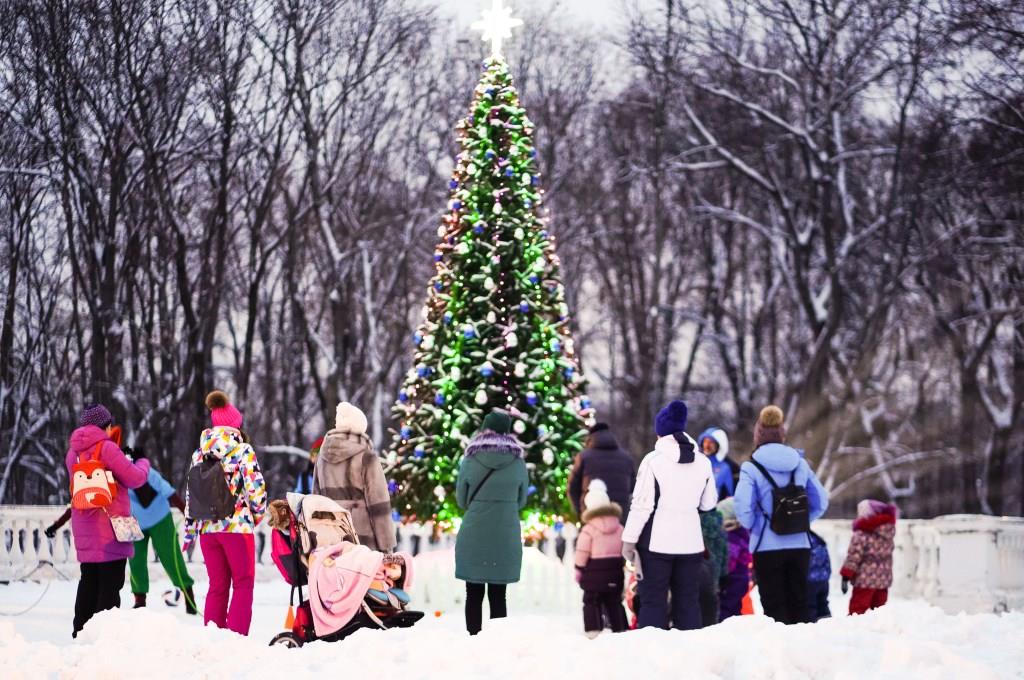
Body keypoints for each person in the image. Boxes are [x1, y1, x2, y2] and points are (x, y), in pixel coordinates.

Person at [622, 400, 718, 630]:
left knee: (653, 602)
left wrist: (629, 541)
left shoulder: (653, 462)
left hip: (656, 545)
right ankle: (689, 655)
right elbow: (708, 503)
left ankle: (654, 657)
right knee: (687, 603)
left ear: (660, 433)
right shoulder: (703, 463)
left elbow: (642, 506)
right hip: (690, 544)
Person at [734, 405, 829, 625]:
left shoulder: (751, 468)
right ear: (782, 434)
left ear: (758, 434)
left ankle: (779, 655)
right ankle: (802, 653)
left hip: (766, 547)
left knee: (774, 606)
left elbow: (742, 506)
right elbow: (821, 501)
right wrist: (800, 521)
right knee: (800, 603)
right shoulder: (800, 464)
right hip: (800, 546)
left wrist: (755, 526)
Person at [183, 390, 266, 636]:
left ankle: (212, 639)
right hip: (237, 528)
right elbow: (256, 488)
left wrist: (191, 530)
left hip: (208, 530)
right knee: (243, 584)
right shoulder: (242, 450)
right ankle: (236, 639)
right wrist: (256, 515)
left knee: (217, 586)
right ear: (235, 426)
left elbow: (191, 493)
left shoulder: (199, 453)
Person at [65, 403, 150, 637]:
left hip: (84, 528)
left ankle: (80, 633)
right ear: (106, 425)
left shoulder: (73, 453)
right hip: (110, 528)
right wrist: (142, 462)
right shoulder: (107, 448)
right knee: (110, 587)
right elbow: (135, 478)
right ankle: (104, 639)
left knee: (89, 582)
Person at [454, 409, 529, 635]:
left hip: (474, 530)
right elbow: (522, 500)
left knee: (473, 593)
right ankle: (497, 643)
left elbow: (461, 499)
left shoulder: (470, 459)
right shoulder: (517, 462)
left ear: (484, 429)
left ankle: (473, 638)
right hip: (505, 533)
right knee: (499, 594)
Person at [313, 403, 395, 551]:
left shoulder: (322, 457)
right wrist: (386, 546)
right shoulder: (367, 456)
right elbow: (379, 504)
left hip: (329, 539)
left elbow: (315, 501)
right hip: (362, 538)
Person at [127, 457, 196, 614]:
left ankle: (189, 596)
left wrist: (188, 515)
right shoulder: (117, 476)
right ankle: (139, 601)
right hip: (132, 521)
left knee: (171, 558)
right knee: (135, 561)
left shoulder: (148, 473)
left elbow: (170, 493)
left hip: (160, 518)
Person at [573, 480, 628, 638]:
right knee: (614, 602)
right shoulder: (619, 527)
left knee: (591, 601)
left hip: (593, 574)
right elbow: (624, 548)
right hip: (614, 571)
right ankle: (620, 628)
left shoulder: (589, 529)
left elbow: (582, 551)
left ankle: (593, 630)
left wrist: (579, 568)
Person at [568, 423, 635, 524]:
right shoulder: (626, 458)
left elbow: (572, 488)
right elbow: (633, 487)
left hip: (591, 516)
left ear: (590, 437)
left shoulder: (583, 457)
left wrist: (580, 512)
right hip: (619, 519)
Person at [840, 500, 898, 616]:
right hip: (883, 579)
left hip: (865, 579)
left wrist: (846, 575)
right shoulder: (888, 532)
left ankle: (856, 630)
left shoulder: (862, 533)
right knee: (878, 611)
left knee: (858, 611)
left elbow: (854, 556)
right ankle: (877, 631)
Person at [716, 497, 751, 621]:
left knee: (726, 609)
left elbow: (729, 562)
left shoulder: (732, 538)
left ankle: (725, 631)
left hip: (733, 580)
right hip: (742, 578)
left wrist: (719, 574)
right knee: (735, 608)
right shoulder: (744, 533)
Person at [697, 427, 738, 499]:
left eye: (711, 442)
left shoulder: (726, 468)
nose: (707, 445)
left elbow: (730, 496)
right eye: (705, 441)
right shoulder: (696, 462)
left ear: (719, 445)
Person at [807, 530, 832, 621]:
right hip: (823, 580)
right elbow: (827, 561)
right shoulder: (818, 540)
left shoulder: (804, 540)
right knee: (823, 604)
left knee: (810, 606)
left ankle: (811, 627)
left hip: (810, 580)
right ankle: (827, 625)